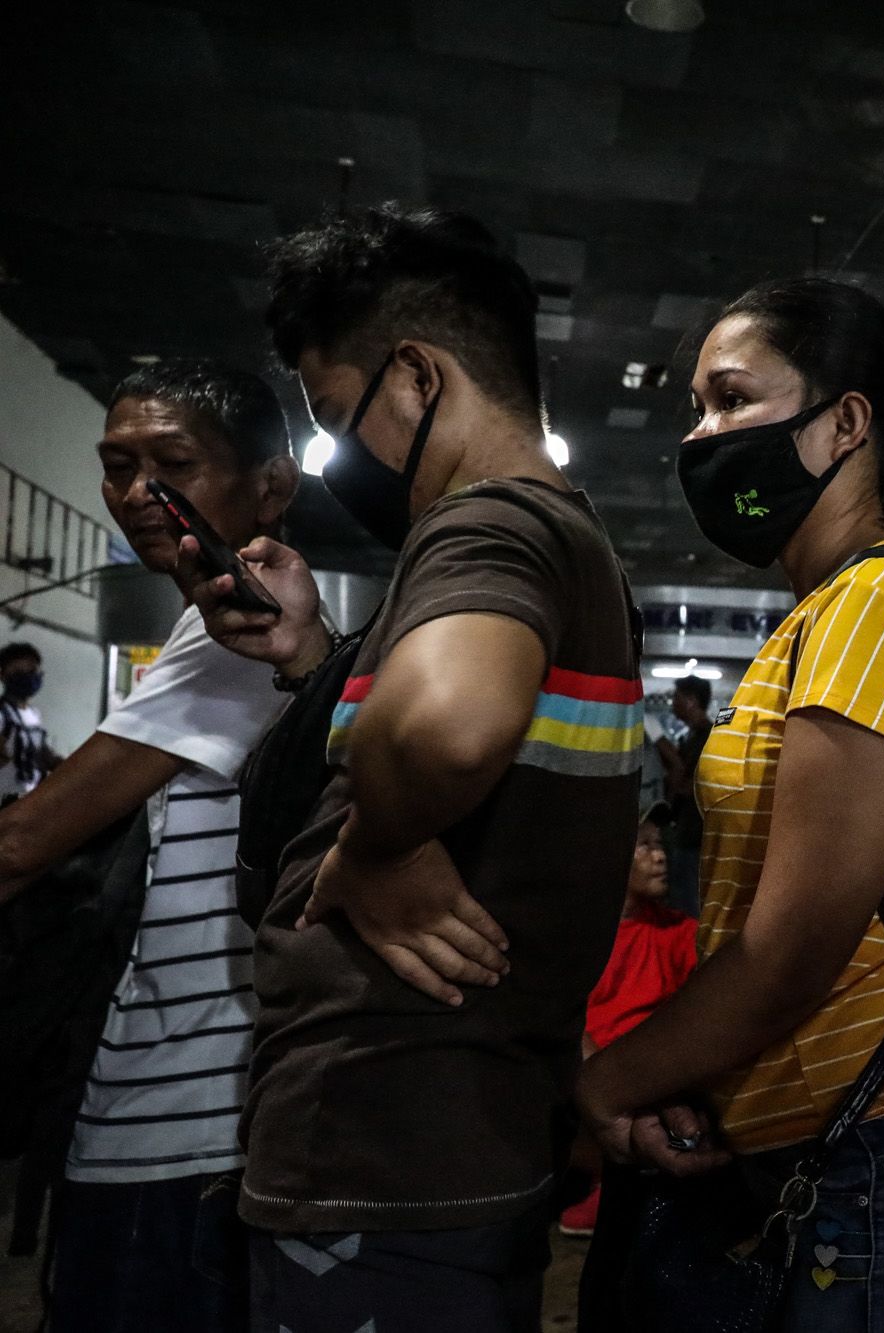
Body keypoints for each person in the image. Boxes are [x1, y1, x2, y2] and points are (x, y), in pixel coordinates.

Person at [183, 204, 642, 1332]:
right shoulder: (557, 535)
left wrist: (374, 844)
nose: (345, 459)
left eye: (340, 418)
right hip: (442, 1144)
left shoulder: (486, 525)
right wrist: (313, 661)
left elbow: (443, 727)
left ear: (416, 375)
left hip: (383, 1147)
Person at [574, 277, 884, 1331]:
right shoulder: (833, 608)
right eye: (696, 406)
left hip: (866, 1172)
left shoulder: (878, 604)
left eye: (730, 399)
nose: (700, 436)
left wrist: (600, 1086)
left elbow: (790, 952)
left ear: (845, 423)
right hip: (820, 1157)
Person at [0, 360, 299, 1331]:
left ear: (272, 485)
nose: (137, 494)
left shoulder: (233, 633)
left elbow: (25, 842)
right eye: (116, 465)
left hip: (172, 1130)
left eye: (172, 463)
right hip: (181, 1120)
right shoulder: (224, 624)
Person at [562, 804, 699, 1238]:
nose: (659, 857)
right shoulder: (578, 938)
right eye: (643, 846)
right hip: (586, 1088)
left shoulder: (680, 932)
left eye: (660, 846)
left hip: (651, 1082)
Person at [664, 674, 712, 916]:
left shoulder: (706, 738)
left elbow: (694, 783)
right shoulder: (691, 737)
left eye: (677, 697)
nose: (673, 702)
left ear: (692, 701)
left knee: (687, 904)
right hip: (687, 832)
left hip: (693, 835)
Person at [0, 642, 58, 803]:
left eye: (32, 671)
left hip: (27, 800)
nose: (28, 677)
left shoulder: (34, 715)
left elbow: (45, 756)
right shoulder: (3, 714)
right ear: (3, 675)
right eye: (19, 672)